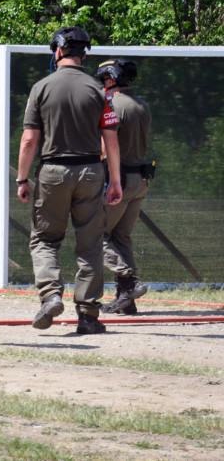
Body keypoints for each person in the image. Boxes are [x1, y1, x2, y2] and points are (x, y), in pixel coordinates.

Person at [16, 26, 123, 335]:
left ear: (58, 50)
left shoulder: (41, 88)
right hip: (91, 171)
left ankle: (50, 295)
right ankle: (89, 316)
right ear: (84, 54)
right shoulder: (99, 91)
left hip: (53, 172)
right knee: (90, 244)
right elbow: (112, 141)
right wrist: (114, 181)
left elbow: (28, 140)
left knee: (46, 239)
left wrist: (22, 178)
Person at [95, 58, 151, 314]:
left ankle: (128, 282)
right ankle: (127, 302)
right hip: (141, 180)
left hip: (121, 179)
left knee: (96, 234)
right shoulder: (142, 105)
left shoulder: (112, 105)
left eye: (103, 81)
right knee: (121, 237)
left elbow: (106, 147)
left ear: (110, 79)